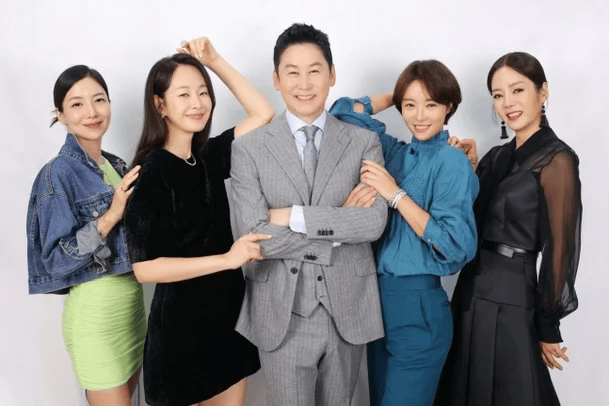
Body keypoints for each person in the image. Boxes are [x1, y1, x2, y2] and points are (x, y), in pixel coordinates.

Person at [230, 23, 388, 406]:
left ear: (332, 75)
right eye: (293, 72)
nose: (304, 83)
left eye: (315, 70)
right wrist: (337, 227)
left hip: (348, 308)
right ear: (276, 79)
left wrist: (292, 215)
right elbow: (253, 236)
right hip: (280, 313)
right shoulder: (248, 147)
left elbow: (372, 222)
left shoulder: (364, 141)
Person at [123, 37, 274, 406]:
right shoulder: (151, 171)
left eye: (203, 92)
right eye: (184, 94)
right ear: (160, 104)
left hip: (229, 324)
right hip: (181, 336)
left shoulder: (208, 156)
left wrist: (215, 60)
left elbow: (263, 113)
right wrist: (227, 259)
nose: (197, 103)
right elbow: (145, 269)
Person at [435, 52, 582, 406]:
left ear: (542, 91)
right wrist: (470, 171)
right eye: (498, 95)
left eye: (518, 90)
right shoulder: (496, 156)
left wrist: (549, 324)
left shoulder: (557, 159)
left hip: (513, 297)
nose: (507, 103)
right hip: (470, 291)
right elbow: (476, 221)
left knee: (516, 393)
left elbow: (561, 247)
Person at [329, 59, 479, 406]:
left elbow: (455, 246)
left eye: (431, 104)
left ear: (449, 106)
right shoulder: (395, 152)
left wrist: (395, 195)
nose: (419, 115)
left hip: (418, 306)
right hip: (377, 304)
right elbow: (341, 114)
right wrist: (397, 94)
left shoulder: (451, 160)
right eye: (410, 105)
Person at [26, 65, 146, 405]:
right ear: (60, 114)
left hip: (132, 312)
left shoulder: (117, 165)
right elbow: (56, 260)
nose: (91, 112)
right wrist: (111, 216)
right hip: (96, 318)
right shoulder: (57, 173)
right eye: (77, 104)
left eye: (99, 100)